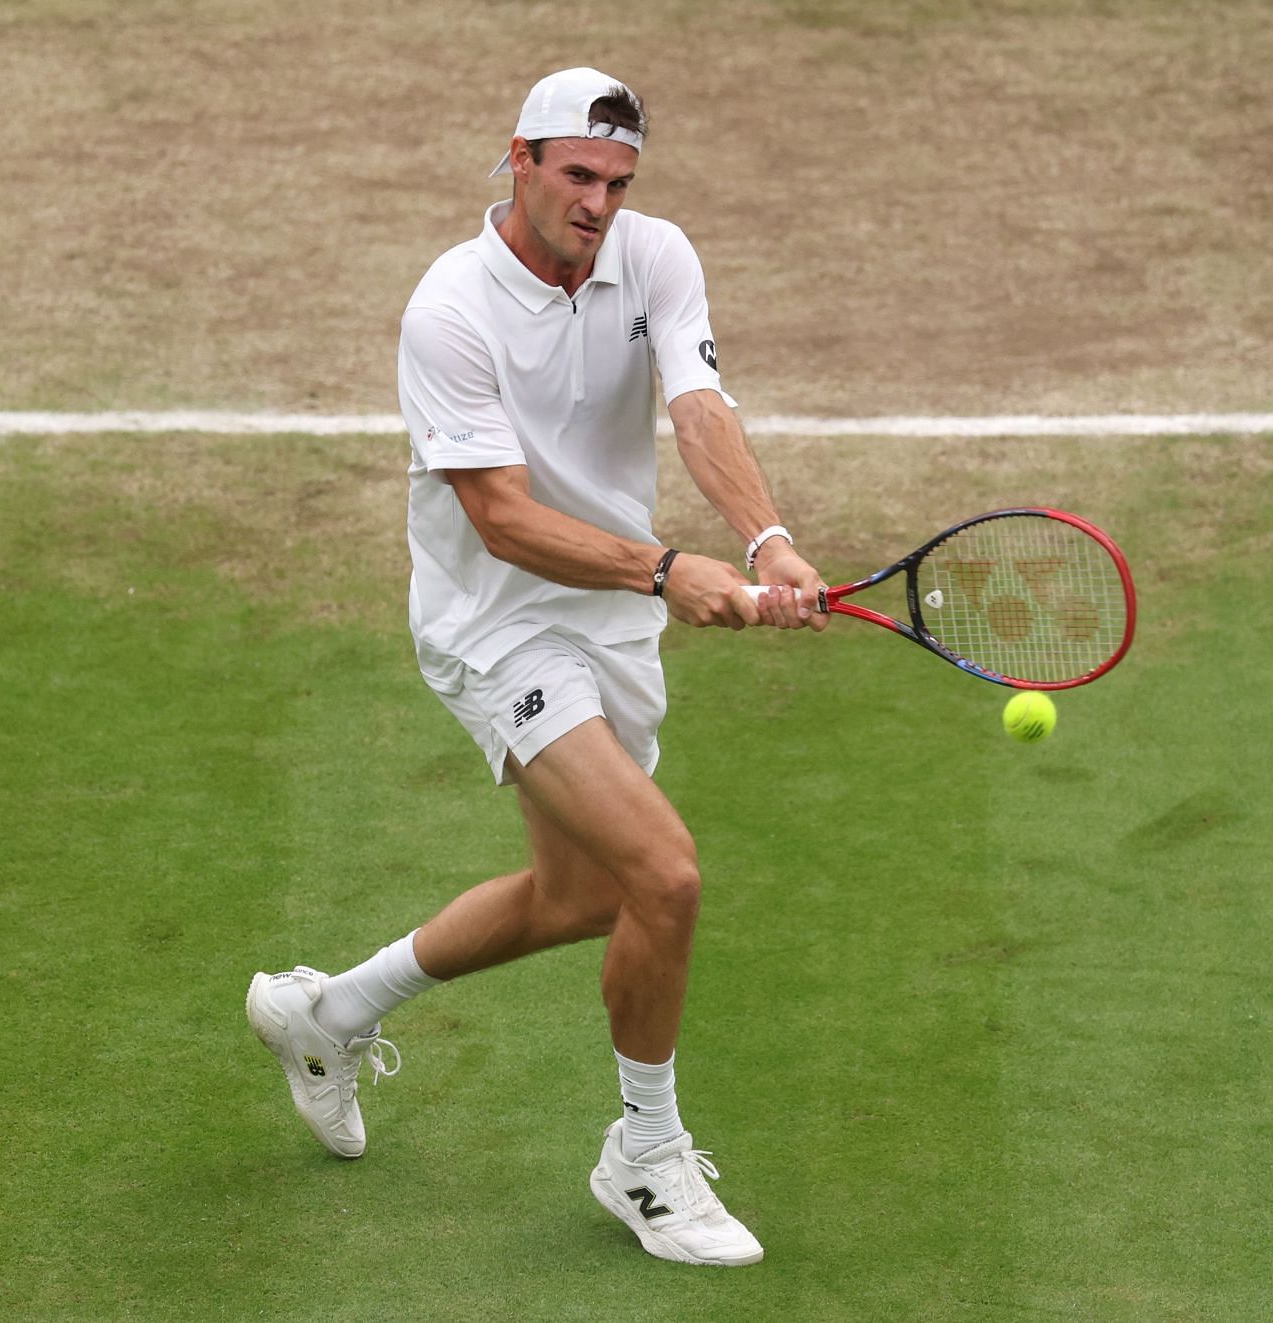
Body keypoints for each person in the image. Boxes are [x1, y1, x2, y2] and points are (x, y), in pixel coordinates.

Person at [246, 66, 826, 1268]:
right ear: (518, 158)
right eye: (578, 175)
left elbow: (700, 406)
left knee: (585, 898)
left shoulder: (656, 258)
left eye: (618, 182)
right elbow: (503, 520)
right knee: (665, 875)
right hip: (494, 620)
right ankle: (646, 1160)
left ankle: (327, 1012)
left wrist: (765, 539)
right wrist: (673, 571)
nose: (600, 203)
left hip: (607, 620)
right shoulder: (448, 311)